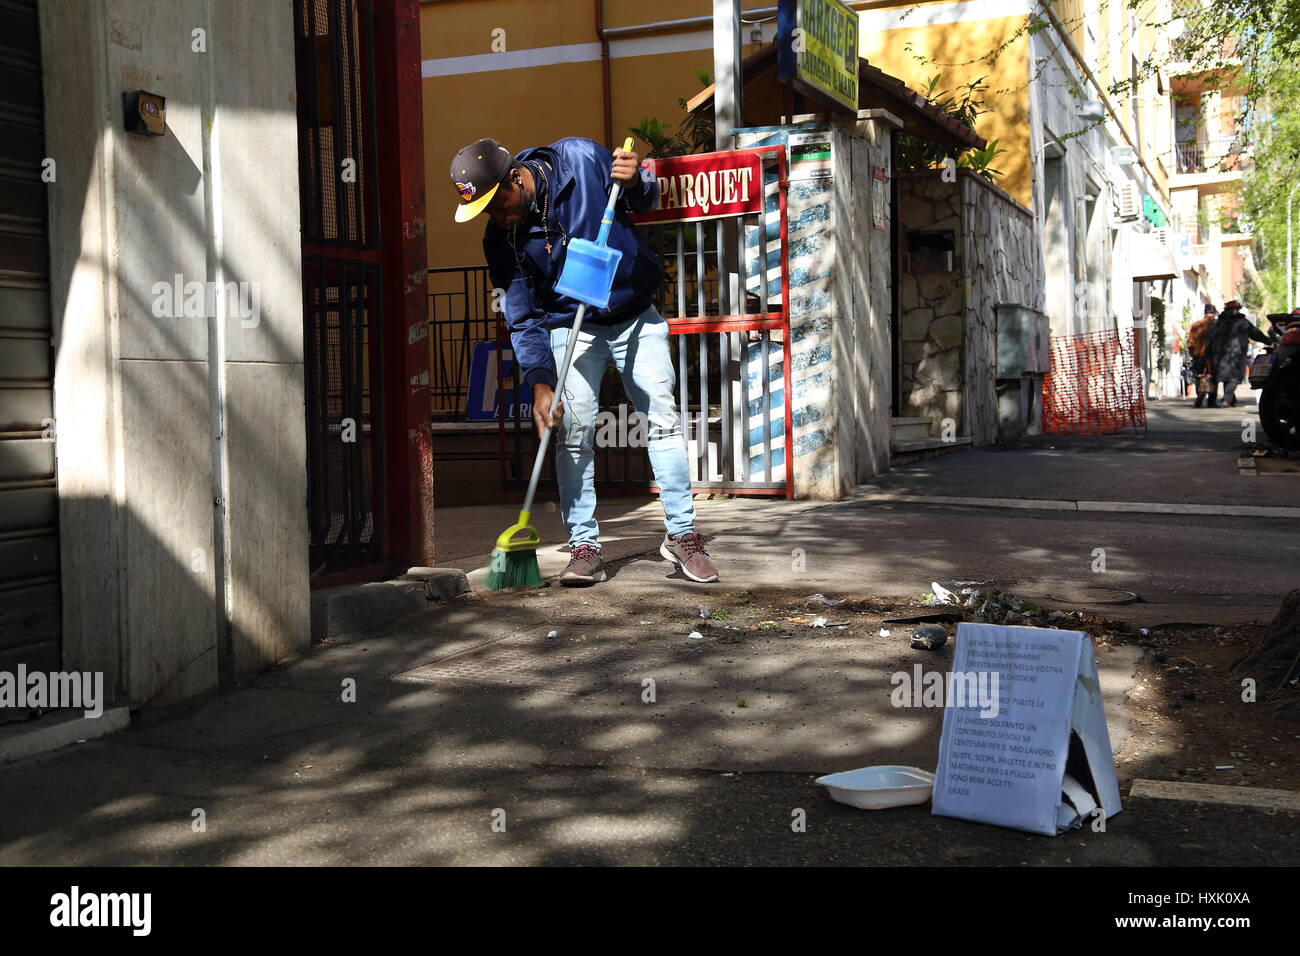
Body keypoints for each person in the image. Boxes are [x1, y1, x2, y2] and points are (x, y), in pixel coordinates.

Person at [449, 136, 719, 586]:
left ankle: (682, 535)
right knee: (573, 433)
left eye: (498, 204)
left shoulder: (579, 159)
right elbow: (521, 315)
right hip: (569, 326)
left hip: (635, 315)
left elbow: (645, 199)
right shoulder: (500, 239)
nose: (497, 217)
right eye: (487, 213)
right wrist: (539, 381)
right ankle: (584, 545)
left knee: (664, 422)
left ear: (516, 177)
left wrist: (637, 183)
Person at [1205, 300, 1270, 407]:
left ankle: (1213, 401)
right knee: (1233, 378)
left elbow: (1209, 339)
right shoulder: (1242, 322)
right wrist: (1269, 341)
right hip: (1236, 355)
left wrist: (1208, 355)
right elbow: (1255, 333)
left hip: (1218, 355)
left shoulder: (1217, 323)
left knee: (1216, 377)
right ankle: (1226, 399)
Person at [1186, 303, 1215, 408]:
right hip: (1213, 355)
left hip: (1198, 355)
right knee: (1212, 376)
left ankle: (1200, 391)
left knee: (1199, 375)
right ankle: (1211, 400)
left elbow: (1190, 342)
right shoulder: (1216, 324)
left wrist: (1192, 353)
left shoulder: (1196, 325)